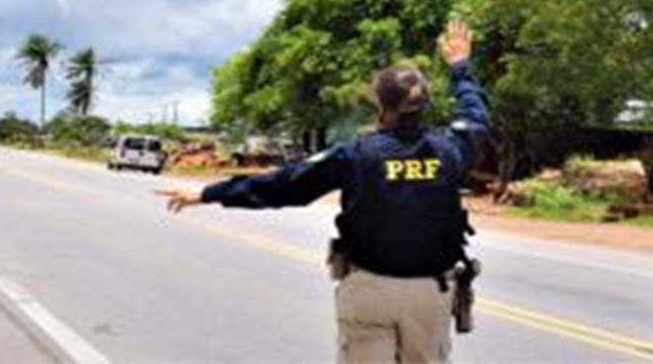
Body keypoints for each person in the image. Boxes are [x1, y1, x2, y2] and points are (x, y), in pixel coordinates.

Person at [157, 19, 489, 364]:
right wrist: (460, 67)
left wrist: (210, 193)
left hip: (369, 291)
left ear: (380, 106)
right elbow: (476, 116)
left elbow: (284, 185)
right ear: (426, 105)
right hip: (430, 294)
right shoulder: (452, 149)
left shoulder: (356, 155)